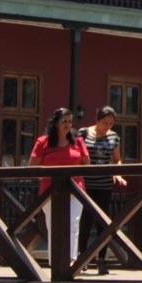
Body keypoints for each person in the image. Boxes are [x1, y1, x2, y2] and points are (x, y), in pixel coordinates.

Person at [28, 108, 91, 267]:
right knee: (54, 226)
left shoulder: (78, 141)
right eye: (64, 121)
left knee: (73, 224)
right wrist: (46, 176)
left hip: (75, 189)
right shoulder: (43, 142)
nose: (67, 125)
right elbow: (33, 167)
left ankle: (71, 261)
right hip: (51, 191)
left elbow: (86, 164)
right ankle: (55, 262)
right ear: (55, 123)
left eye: (70, 121)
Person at [78, 106, 121, 271]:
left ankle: (101, 259)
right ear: (97, 120)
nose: (107, 126)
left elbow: (117, 159)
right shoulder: (84, 133)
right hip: (85, 184)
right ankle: (82, 257)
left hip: (104, 185)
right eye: (104, 123)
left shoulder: (114, 137)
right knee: (85, 222)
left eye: (110, 123)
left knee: (103, 223)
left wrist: (118, 173)